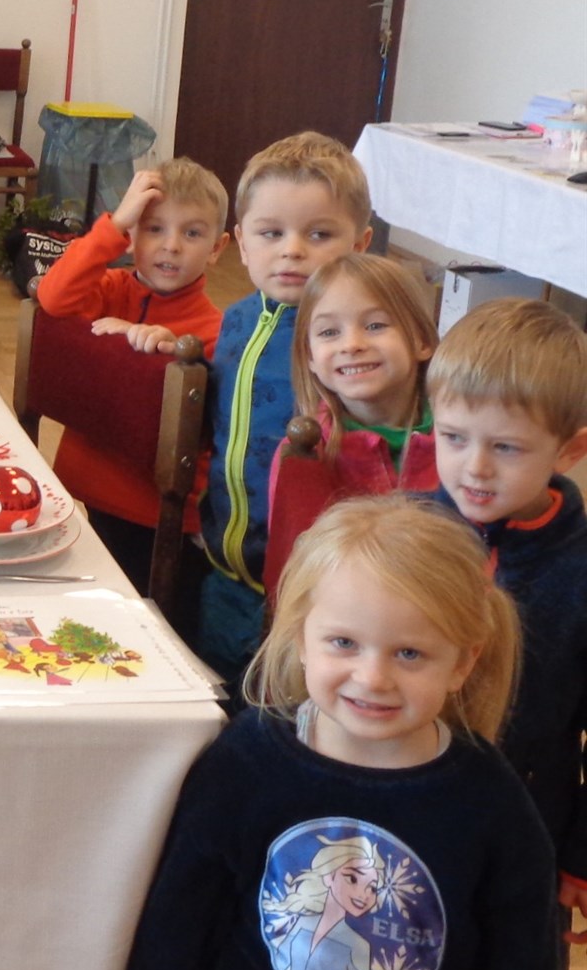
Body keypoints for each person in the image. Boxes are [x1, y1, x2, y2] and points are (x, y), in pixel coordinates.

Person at [113, 494, 555, 970]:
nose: (372, 677)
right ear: (301, 638)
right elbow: (179, 921)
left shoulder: (494, 808)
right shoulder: (246, 764)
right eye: (344, 642)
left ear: (463, 662)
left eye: (409, 653)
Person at [428, 297, 587, 970]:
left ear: (570, 450)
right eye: (454, 438)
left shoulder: (580, 572)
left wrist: (580, 853)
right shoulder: (413, 533)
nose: (474, 468)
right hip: (417, 823)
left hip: (530, 836)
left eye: (507, 447)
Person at [197, 131, 372, 683]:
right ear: (242, 243)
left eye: (319, 234)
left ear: (360, 244)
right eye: (271, 233)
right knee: (216, 695)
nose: (293, 250)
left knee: (286, 706)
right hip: (223, 570)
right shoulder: (236, 320)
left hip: (310, 592)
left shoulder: (351, 344)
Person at [33, 158, 228, 586]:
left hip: (161, 523)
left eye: (192, 233)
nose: (171, 246)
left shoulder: (217, 331)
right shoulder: (108, 290)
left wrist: (172, 356)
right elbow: (52, 296)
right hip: (90, 497)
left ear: (217, 248)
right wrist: (115, 223)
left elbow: (205, 431)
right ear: (132, 236)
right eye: (154, 228)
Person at [262, 254, 439, 599]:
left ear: (421, 340)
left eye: (375, 326)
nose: (352, 344)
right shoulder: (305, 454)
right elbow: (294, 579)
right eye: (329, 332)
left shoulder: (461, 441)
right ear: (310, 358)